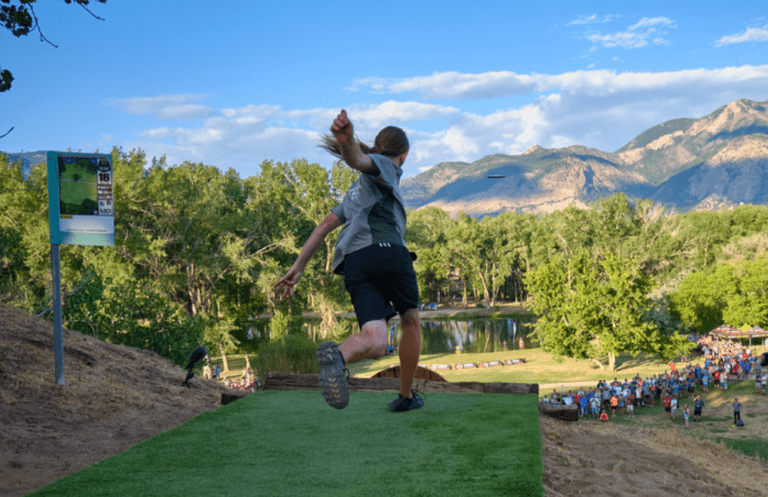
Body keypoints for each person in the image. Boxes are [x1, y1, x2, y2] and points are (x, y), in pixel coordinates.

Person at [274, 110, 422, 413]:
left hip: (356, 263)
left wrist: (298, 267)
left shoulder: (354, 193)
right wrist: (348, 141)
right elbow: (359, 160)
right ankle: (407, 396)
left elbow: (325, 224)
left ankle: (337, 357)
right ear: (403, 155)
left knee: (377, 341)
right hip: (387, 252)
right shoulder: (386, 167)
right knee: (411, 322)